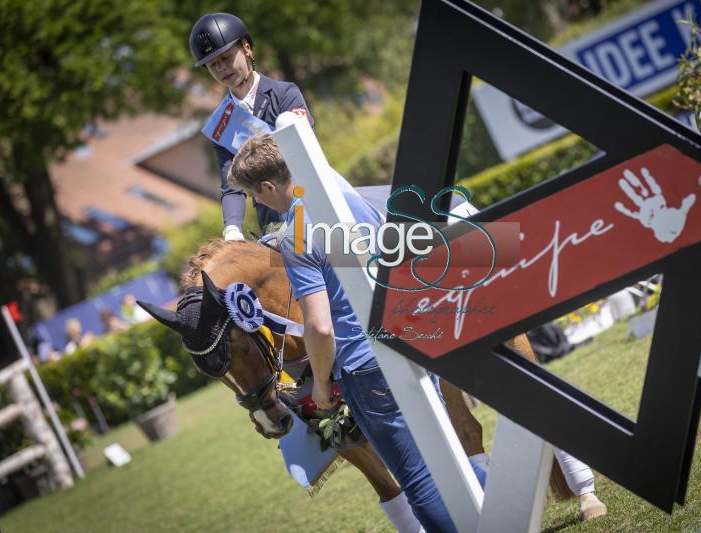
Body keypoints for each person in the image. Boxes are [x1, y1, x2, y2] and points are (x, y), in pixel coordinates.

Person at [228, 133, 485, 532]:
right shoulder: (349, 200)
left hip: (366, 368)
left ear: (267, 186)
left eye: (254, 197)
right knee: (449, 458)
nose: (257, 205)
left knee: (420, 483)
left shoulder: (298, 231)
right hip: (410, 339)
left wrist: (320, 386)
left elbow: (319, 326)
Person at [189, 12, 314, 241]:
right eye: (212, 65)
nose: (221, 69)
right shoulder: (221, 124)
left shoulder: (285, 94)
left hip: (311, 205)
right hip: (272, 225)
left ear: (246, 48)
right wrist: (232, 229)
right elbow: (232, 185)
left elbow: (302, 151)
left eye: (226, 58)